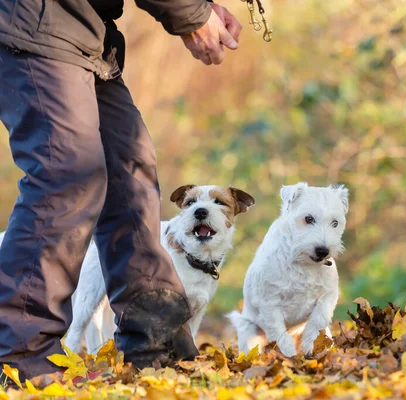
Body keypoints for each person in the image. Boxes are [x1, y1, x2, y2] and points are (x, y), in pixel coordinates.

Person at [0, 0, 242, 380]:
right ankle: (18, 356)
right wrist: (192, 13)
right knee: (67, 174)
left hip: (87, 31)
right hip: (37, 22)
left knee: (130, 173)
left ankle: (155, 342)